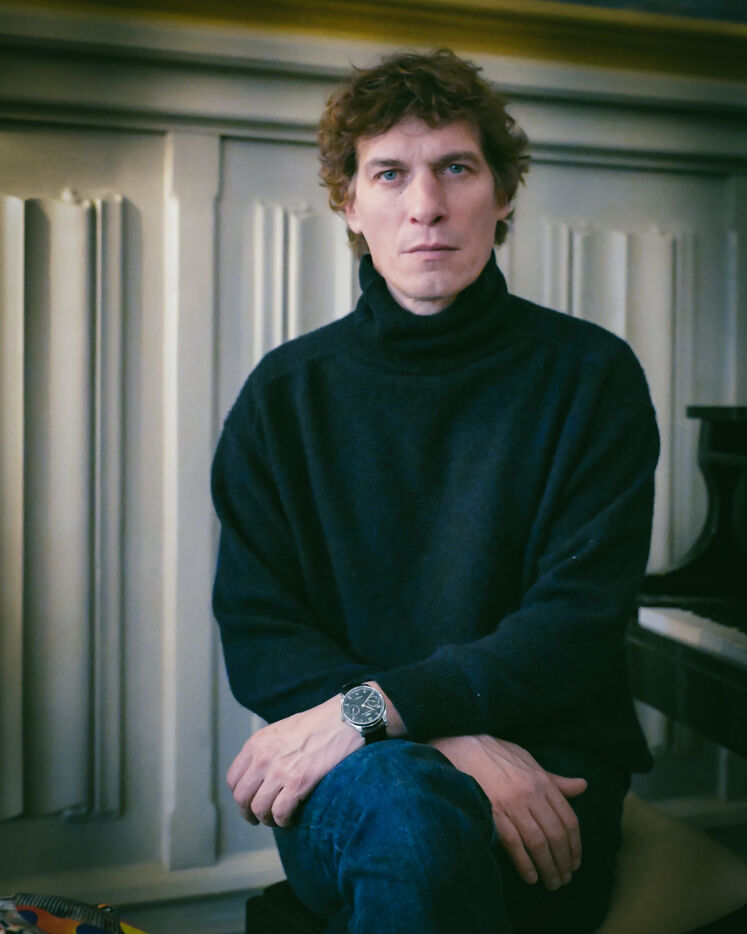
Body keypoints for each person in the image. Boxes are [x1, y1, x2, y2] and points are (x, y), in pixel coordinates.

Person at [211, 48, 659, 934]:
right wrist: (432, 735)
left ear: (502, 192)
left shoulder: (590, 377)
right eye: (389, 173)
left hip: (545, 775)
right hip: (355, 775)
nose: (425, 205)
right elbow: (263, 636)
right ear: (349, 203)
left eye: (456, 167)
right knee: (408, 815)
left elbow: (573, 626)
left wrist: (382, 712)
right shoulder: (285, 396)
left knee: (418, 833)